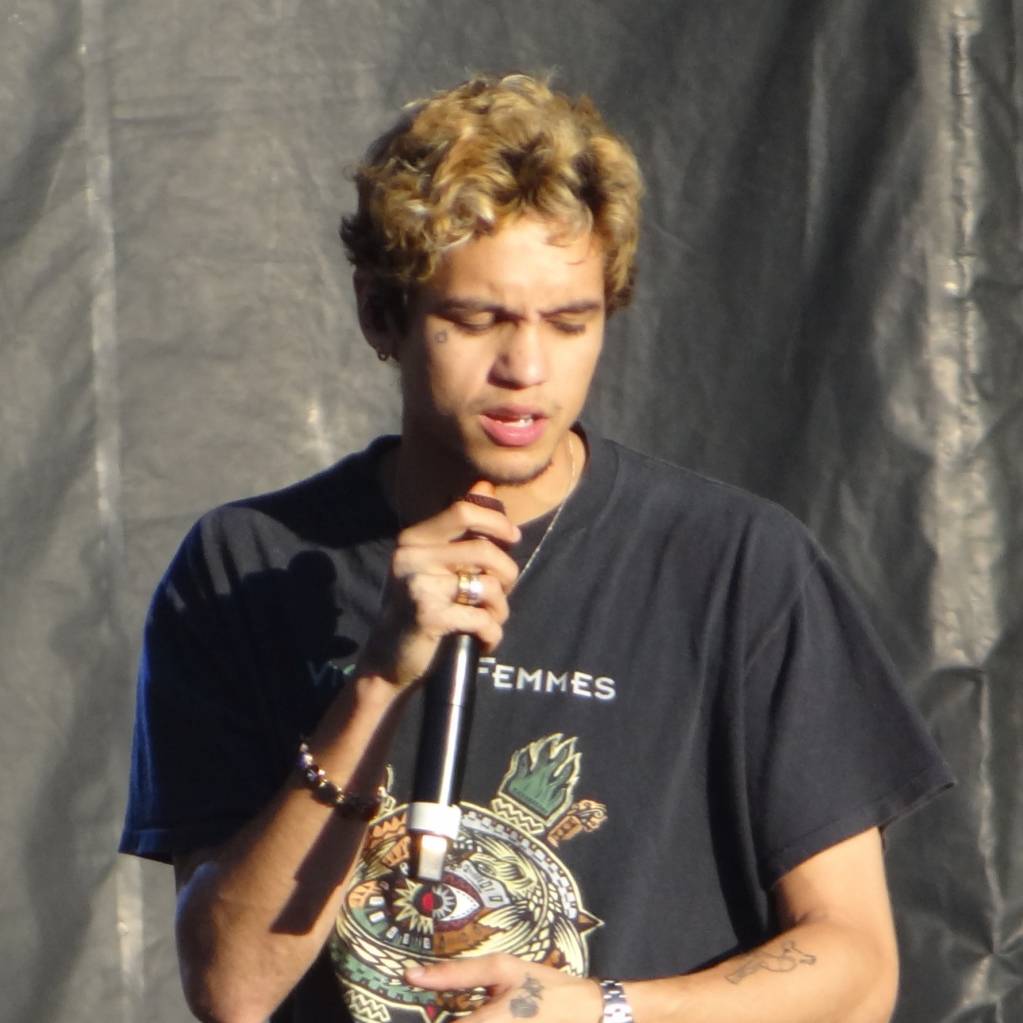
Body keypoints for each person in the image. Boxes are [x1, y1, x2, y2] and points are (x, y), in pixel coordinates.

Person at [120, 73, 952, 1023]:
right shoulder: (249, 566)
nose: (525, 369)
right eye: (476, 320)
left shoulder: (738, 566)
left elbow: (856, 969)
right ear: (381, 315)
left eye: (569, 322)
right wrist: (377, 685)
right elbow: (231, 987)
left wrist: (604, 1010)